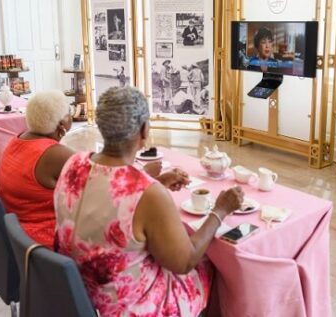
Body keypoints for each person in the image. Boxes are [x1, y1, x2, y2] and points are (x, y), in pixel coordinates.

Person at [54, 86, 243, 316]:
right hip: (125, 306)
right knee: (213, 264)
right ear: (144, 130)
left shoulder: (73, 164)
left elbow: (111, 196)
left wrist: (155, 182)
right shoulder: (147, 193)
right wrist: (220, 210)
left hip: (78, 293)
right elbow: (185, 262)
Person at [0, 90, 75, 247]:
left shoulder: (16, 140)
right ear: (61, 124)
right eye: (69, 112)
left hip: (14, 233)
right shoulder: (56, 154)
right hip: (42, 241)